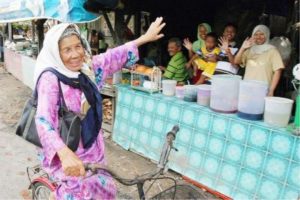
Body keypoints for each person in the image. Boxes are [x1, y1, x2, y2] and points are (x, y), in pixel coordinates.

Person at [33, 17, 165, 199]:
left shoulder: (87, 68)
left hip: (94, 150)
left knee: (105, 190)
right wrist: (64, 154)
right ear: (56, 52)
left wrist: (144, 38)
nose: (75, 54)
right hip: (68, 152)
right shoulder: (50, 79)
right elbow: (43, 121)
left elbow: (112, 57)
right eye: (67, 50)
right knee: (77, 193)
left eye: (78, 46)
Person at [234, 25, 284, 96]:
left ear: (267, 35)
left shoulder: (273, 51)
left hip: (263, 89)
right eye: (256, 34)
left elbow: (278, 71)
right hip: (247, 88)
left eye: (262, 34)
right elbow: (236, 61)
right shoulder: (249, 50)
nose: (258, 37)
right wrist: (242, 48)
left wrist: (271, 90)